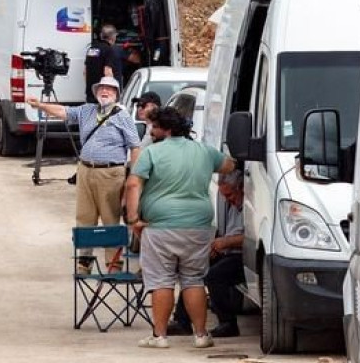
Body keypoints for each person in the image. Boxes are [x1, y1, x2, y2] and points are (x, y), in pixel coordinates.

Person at [125, 107, 237, 349]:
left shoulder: (151, 153)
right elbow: (229, 166)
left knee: (161, 281)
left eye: (154, 127)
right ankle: (200, 335)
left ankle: (160, 336)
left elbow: (133, 184)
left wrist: (134, 219)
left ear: (166, 129)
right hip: (198, 225)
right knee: (193, 279)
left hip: (160, 226)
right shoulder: (204, 151)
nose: (151, 131)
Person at [22, 75, 140, 272]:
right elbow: (63, 111)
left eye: (110, 89)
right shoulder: (86, 110)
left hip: (111, 172)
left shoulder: (123, 116)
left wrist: (133, 176)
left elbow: (135, 147)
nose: (105, 91)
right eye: (101, 88)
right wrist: (40, 105)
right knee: (84, 217)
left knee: (111, 219)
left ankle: (113, 264)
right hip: (85, 170)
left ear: (117, 94)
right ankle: (84, 261)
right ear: (95, 92)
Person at [168, 169, 245, 338]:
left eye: (230, 195)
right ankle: (182, 321)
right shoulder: (231, 205)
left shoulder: (249, 204)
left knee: (214, 276)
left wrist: (225, 242)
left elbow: (248, 238)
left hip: (242, 255)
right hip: (229, 251)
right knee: (192, 268)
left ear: (241, 188)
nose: (227, 199)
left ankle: (228, 323)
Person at [83, 25, 127, 102]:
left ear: (101, 35)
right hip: (103, 95)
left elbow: (85, 72)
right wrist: (112, 91)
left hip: (91, 93)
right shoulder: (109, 50)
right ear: (113, 37)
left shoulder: (91, 49)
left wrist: (91, 88)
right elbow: (107, 72)